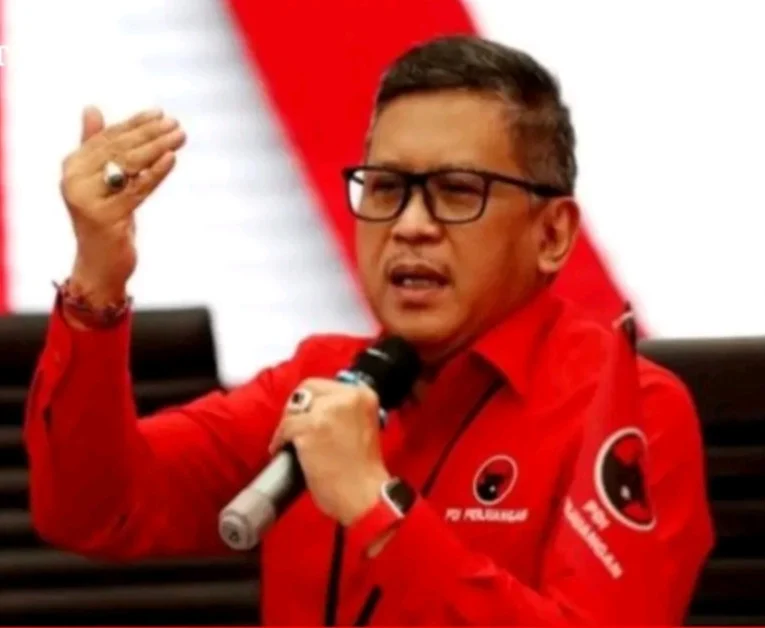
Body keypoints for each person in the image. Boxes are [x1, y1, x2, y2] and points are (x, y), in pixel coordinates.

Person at [24, 35, 713, 625]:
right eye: (385, 188)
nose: (410, 225)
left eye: (457, 191)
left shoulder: (631, 410)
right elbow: (94, 511)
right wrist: (96, 281)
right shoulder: (321, 384)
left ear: (553, 234)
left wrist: (374, 508)